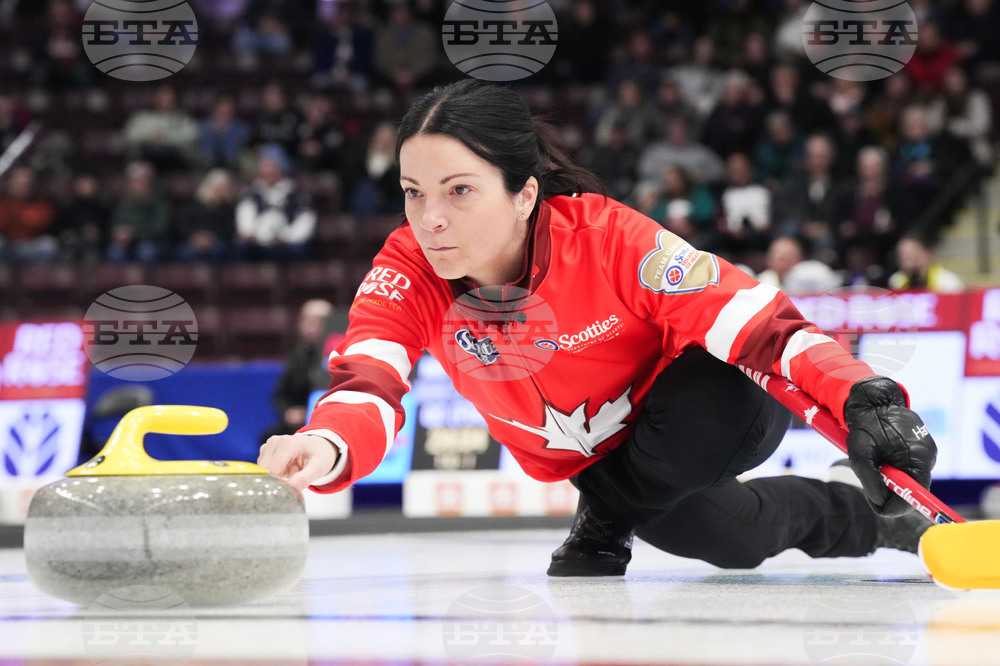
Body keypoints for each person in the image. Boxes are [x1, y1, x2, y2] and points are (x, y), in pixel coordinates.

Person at [258, 80, 937, 578]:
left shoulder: (608, 236)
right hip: (608, 464)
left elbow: (750, 319)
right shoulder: (408, 267)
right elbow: (370, 378)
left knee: (716, 402)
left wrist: (863, 398)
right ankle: (877, 522)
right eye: (412, 191)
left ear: (524, 194)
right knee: (737, 541)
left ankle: (607, 513)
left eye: (458, 190)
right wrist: (325, 443)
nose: (429, 218)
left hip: (710, 404)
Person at [262, 299, 336, 440]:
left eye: (318, 322)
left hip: (331, 423)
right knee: (270, 438)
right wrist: (288, 412)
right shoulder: (298, 356)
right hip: (301, 424)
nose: (310, 327)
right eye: (306, 320)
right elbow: (281, 395)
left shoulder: (342, 355)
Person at [887, 236, 964, 293]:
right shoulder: (896, 281)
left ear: (927, 253)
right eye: (903, 256)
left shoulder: (948, 281)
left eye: (912, 254)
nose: (908, 261)